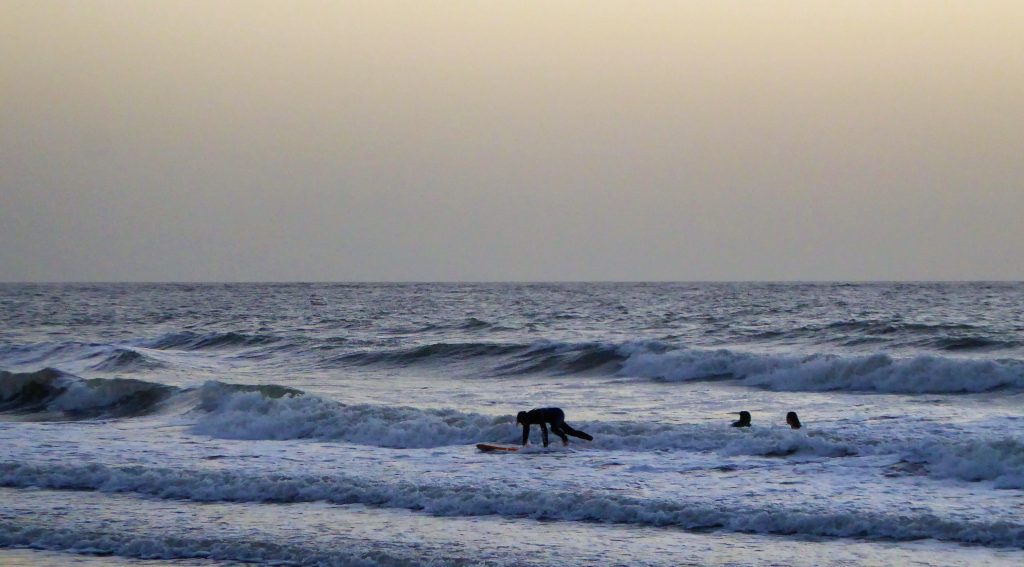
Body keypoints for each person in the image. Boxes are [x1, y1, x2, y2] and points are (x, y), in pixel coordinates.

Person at [516, 407, 593, 447]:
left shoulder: (537, 415)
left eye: (522, 422)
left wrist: (545, 446)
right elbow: (525, 433)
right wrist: (524, 445)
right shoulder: (526, 421)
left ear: (525, 418)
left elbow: (544, 430)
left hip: (558, 413)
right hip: (554, 417)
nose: (522, 424)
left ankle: (564, 438)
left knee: (554, 428)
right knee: (570, 431)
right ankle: (590, 439)